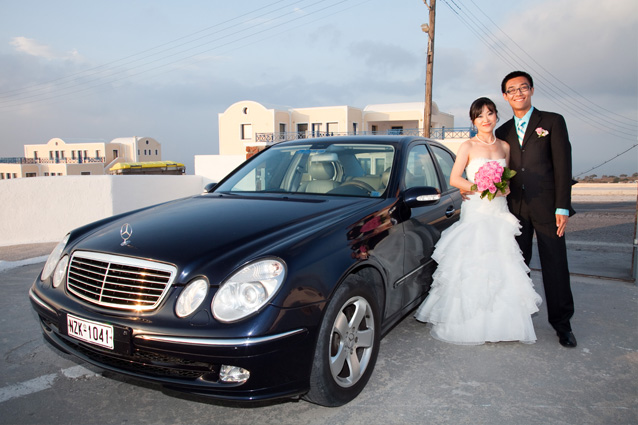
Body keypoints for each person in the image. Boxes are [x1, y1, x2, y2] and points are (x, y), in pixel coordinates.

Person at [415, 97, 542, 345]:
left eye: (490, 113)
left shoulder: (505, 147)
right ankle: (470, 324)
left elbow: (508, 179)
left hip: (498, 210)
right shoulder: (467, 146)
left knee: (502, 262)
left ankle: (502, 325)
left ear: (496, 116)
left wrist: (503, 188)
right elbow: (454, 179)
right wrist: (479, 185)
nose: (486, 119)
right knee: (473, 264)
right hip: (477, 208)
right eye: (480, 115)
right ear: (473, 120)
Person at [495, 71, 577, 348]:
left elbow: (563, 166)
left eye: (523, 88)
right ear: (505, 96)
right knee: (518, 267)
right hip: (514, 208)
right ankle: (519, 319)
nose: (518, 93)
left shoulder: (552, 122)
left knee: (555, 265)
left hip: (548, 207)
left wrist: (563, 206)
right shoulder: (502, 131)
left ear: (531, 90)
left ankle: (562, 324)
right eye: (512, 90)